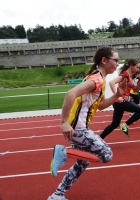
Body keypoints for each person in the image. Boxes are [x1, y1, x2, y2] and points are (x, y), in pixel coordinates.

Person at [48, 46, 127, 200]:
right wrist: (63, 122)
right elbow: (70, 94)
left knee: (81, 164)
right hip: (77, 128)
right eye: (115, 60)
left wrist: (117, 94)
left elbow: (101, 105)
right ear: (104, 60)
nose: (117, 64)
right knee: (106, 154)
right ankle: (63, 152)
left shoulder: (100, 79)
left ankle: (57, 195)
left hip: (78, 127)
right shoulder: (96, 79)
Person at [100, 59, 140, 139]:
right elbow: (112, 82)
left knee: (114, 124)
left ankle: (99, 139)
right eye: (137, 67)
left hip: (118, 103)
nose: (138, 69)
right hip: (121, 101)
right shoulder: (125, 74)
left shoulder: (130, 76)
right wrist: (117, 95)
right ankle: (125, 125)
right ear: (131, 66)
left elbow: (135, 89)